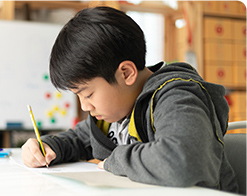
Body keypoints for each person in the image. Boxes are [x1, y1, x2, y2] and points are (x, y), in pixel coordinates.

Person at [21, 6, 238, 193]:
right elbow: (78, 139)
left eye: (88, 94)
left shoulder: (176, 97)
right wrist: (46, 147)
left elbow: (182, 161)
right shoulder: (114, 112)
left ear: (126, 73)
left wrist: (116, 160)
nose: (85, 105)